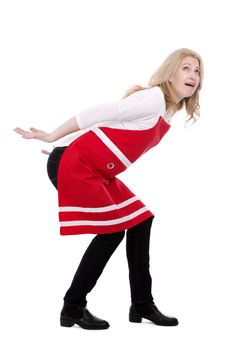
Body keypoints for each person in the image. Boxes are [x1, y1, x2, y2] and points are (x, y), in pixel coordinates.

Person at [14, 48, 203, 330]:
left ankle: (141, 304)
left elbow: (110, 125)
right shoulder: (152, 98)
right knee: (112, 229)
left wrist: (67, 147)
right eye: (186, 68)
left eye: (197, 71)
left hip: (87, 165)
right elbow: (97, 112)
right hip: (77, 166)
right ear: (170, 73)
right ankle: (73, 307)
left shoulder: (166, 112)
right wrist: (56, 138)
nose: (193, 75)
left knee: (140, 219)